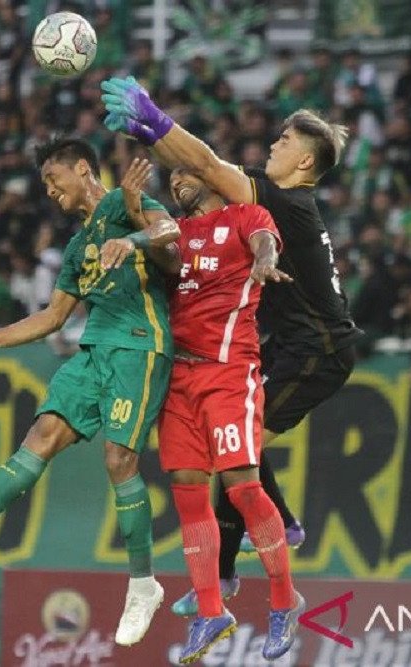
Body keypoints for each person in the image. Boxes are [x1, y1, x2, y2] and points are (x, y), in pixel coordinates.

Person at [0, 139, 181, 646]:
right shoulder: (76, 248)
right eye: (46, 186)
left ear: (81, 168)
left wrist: (136, 229)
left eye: (55, 180)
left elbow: (172, 240)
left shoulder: (125, 203)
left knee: (119, 460)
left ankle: (143, 584)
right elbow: (53, 318)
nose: (50, 191)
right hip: (93, 350)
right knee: (42, 433)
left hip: (139, 345)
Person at [101, 77, 363, 615]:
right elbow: (199, 167)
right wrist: (152, 131)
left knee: (233, 455)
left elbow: (207, 164)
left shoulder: (288, 203)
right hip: (290, 343)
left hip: (318, 352)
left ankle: (232, 575)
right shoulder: (282, 200)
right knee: (234, 444)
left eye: (285, 141)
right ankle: (275, 531)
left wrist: (156, 119)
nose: (273, 145)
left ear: (306, 164)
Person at [154, 165, 305, 662]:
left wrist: (264, 258)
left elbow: (266, 240)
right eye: (171, 179)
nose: (176, 182)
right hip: (178, 377)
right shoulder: (175, 230)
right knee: (188, 493)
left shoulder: (245, 214)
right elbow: (163, 262)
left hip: (228, 370)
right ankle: (211, 609)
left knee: (242, 484)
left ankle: (284, 600)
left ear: (214, 178)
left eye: (185, 174)